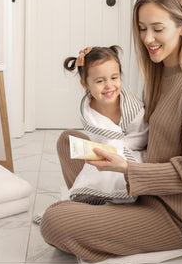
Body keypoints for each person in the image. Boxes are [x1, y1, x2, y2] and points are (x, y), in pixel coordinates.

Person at [40, 0, 182, 263]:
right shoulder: (161, 74)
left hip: (171, 215)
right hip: (140, 192)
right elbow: (140, 133)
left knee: (54, 220)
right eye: (141, 28)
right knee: (69, 140)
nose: (148, 37)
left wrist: (127, 168)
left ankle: (92, 215)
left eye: (157, 28)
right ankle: (99, 206)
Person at [63, 46, 148, 205]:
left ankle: (116, 196)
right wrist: (100, 148)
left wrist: (114, 146)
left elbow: (143, 137)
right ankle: (94, 194)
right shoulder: (88, 110)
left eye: (114, 78)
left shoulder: (134, 109)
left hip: (132, 156)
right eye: (100, 81)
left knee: (111, 170)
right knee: (67, 141)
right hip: (104, 155)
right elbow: (97, 137)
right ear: (85, 84)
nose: (109, 85)